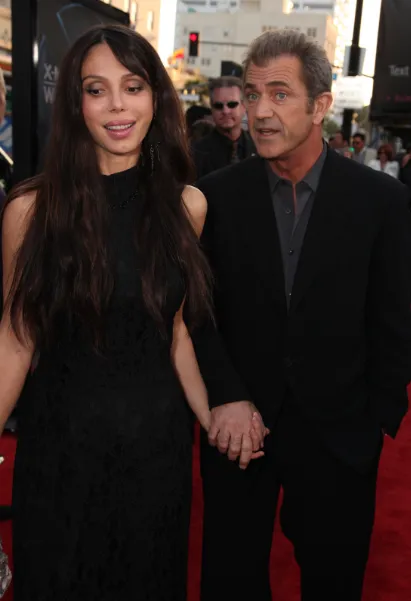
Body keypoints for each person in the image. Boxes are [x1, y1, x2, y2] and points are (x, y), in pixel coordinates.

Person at [0, 25, 266, 601]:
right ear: (75, 105)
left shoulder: (186, 206)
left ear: (155, 97)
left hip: (155, 455)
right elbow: (16, 339)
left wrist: (219, 411)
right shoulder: (31, 210)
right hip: (60, 451)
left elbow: (175, 330)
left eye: (133, 86)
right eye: (96, 90)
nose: (118, 105)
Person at [195, 29, 411, 601]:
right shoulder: (213, 196)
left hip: (340, 434)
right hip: (239, 428)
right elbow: (197, 311)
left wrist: (376, 419)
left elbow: (394, 316)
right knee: (231, 577)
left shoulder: (382, 202)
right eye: (252, 94)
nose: (260, 111)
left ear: (320, 106)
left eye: (280, 94)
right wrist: (224, 396)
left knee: (334, 581)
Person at [192, 76, 256, 178]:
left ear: (244, 106)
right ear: (211, 109)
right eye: (218, 106)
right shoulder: (196, 153)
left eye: (232, 104)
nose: (225, 111)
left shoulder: (259, 147)